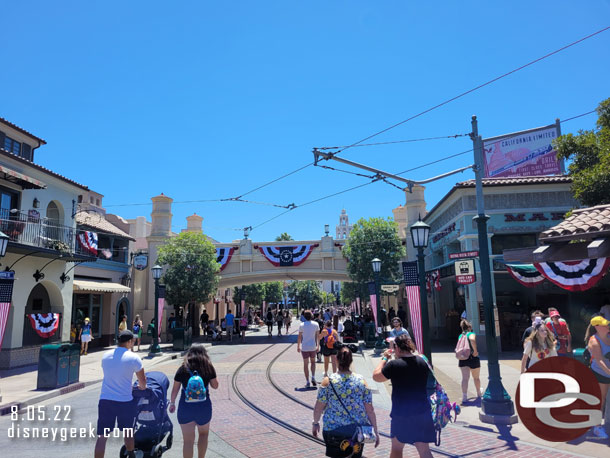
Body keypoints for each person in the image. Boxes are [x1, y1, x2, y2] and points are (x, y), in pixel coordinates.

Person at [372, 334, 434, 458]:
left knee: (396, 449)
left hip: (401, 413)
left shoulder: (394, 365)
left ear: (398, 349)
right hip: (422, 411)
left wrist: (384, 359)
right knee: (425, 451)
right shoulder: (423, 361)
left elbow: (376, 376)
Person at [313, 346, 379, 457]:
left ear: (337, 360)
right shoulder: (362, 381)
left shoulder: (328, 381)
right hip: (356, 432)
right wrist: (375, 431)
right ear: (351, 361)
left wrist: (315, 423)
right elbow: (370, 410)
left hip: (333, 429)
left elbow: (319, 407)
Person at [94, 330, 146, 458]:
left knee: (102, 436)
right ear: (129, 342)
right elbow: (143, 382)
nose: (133, 343)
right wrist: (140, 387)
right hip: (125, 401)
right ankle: (130, 455)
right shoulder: (134, 358)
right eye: (132, 341)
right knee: (128, 432)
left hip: (105, 399)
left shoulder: (106, 356)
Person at [169, 344, 219, 458]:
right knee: (203, 434)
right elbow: (215, 386)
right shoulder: (208, 366)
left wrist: (172, 403)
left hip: (185, 407)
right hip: (203, 407)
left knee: (188, 441)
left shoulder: (183, 368)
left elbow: (175, 390)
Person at [585, 315, 610, 439]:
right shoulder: (594, 340)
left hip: (607, 373)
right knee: (600, 400)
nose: (607, 326)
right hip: (600, 374)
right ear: (597, 327)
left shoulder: (608, 336)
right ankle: (596, 427)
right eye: (604, 324)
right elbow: (599, 360)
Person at [457, 319, 481, 403]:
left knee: (465, 378)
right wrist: (475, 351)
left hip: (463, 358)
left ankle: (464, 396)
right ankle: (478, 393)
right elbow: (472, 340)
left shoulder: (460, 336)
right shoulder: (471, 334)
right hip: (472, 358)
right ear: (470, 327)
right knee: (476, 378)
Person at [297, 310, 320, 388]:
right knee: (313, 362)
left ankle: (307, 381)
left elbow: (299, 337)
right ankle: (313, 376)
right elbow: (317, 336)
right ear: (312, 316)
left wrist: (298, 346)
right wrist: (318, 346)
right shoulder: (316, 324)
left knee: (305, 364)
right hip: (313, 346)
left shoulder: (302, 325)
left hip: (305, 347)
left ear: (304, 317)